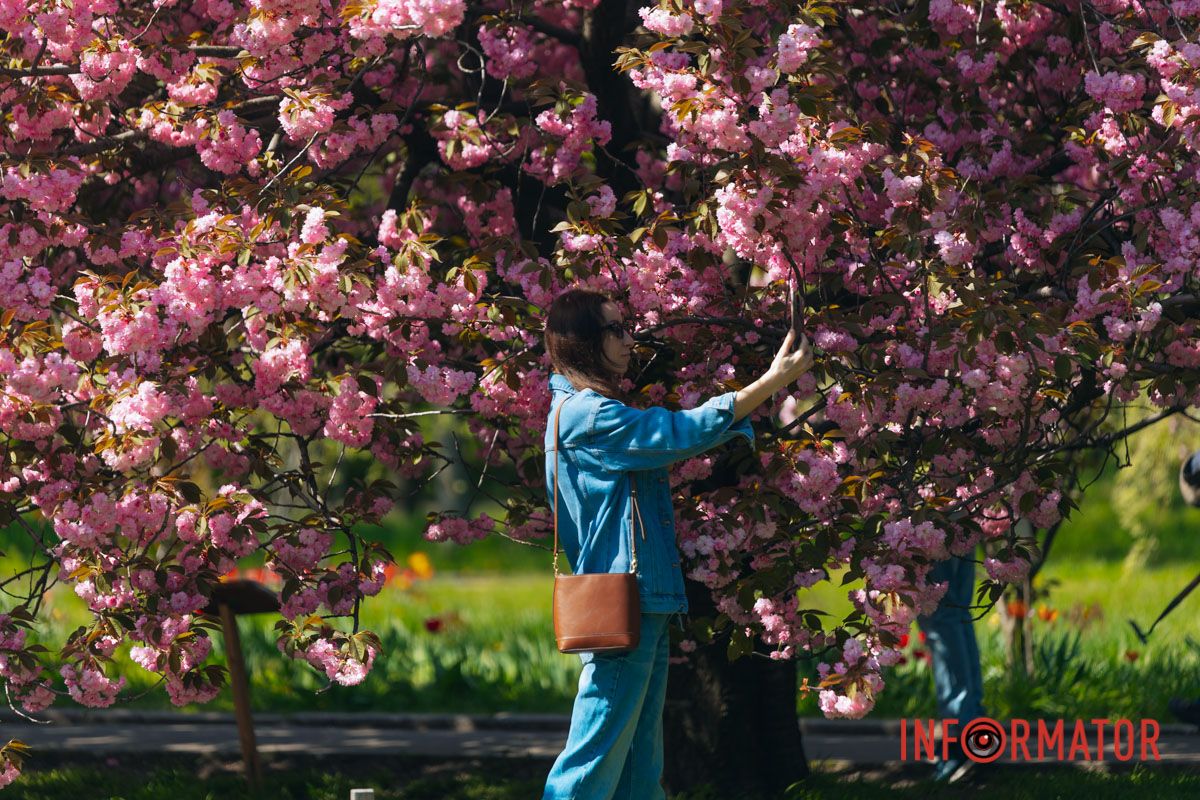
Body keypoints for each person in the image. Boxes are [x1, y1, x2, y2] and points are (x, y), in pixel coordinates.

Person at [541, 288, 813, 800]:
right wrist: (770, 383)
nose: (629, 338)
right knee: (595, 753)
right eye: (615, 330)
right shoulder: (588, 416)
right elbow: (677, 432)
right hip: (626, 602)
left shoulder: (584, 411)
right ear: (582, 343)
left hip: (642, 599)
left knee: (639, 759)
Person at [917, 553, 987, 783]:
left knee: (939, 615)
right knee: (955, 610)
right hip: (963, 519)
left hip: (929, 520)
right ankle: (975, 727)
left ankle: (960, 733)